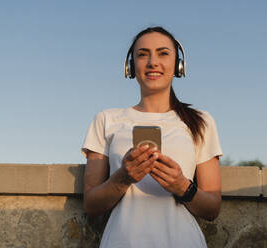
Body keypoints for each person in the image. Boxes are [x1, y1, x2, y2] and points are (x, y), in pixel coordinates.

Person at [81, 26, 223, 248]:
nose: (152, 62)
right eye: (142, 54)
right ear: (130, 66)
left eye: (163, 53)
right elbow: (91, 204)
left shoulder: (201, 121)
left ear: (178, 64)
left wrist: (181, 186)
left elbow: (212, 208)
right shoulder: (106, 119)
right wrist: (123, 178)